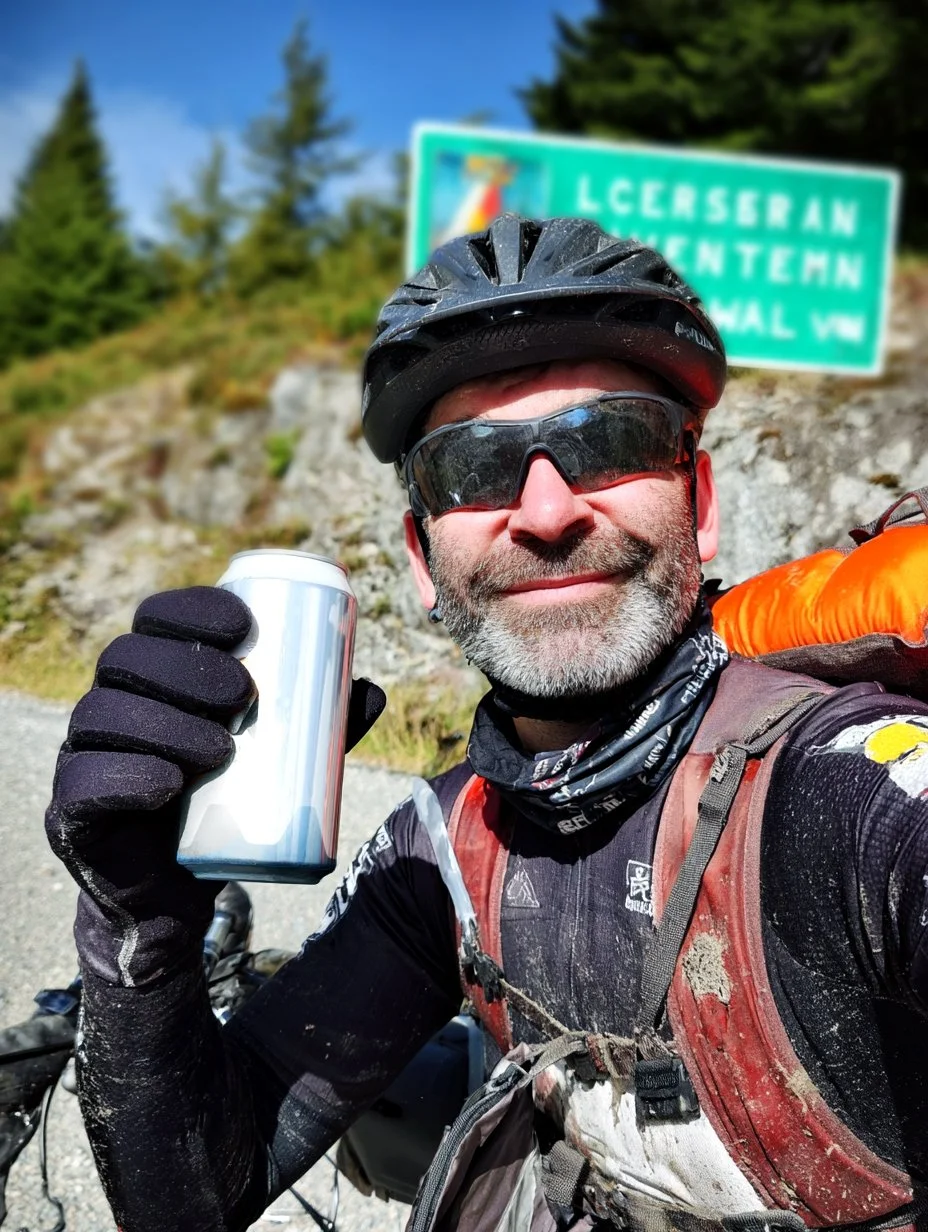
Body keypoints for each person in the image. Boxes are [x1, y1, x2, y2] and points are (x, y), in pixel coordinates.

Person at [45, 215, 928, 1232]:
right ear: (422, 559)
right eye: (473, 465)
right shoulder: (442, 845)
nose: (548, 511)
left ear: (701, 498)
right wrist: (137, 932)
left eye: (611, 439)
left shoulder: (847, 785)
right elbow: (190, 1195)